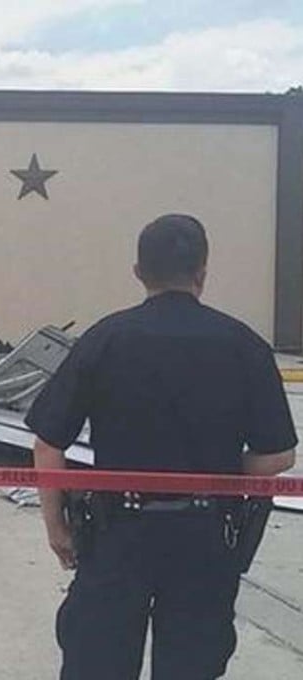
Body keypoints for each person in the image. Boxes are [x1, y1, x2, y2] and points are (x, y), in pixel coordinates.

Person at [25, 213, 297, 679]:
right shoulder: (243, 345)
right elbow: (278, 456)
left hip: (117, 535)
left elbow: (48, 443)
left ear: (138, 272)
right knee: (191, 665)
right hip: (205, 538)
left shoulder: (105, 339)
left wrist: (56, 527)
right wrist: (219, 474)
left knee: (98, 663)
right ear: (202, 273)